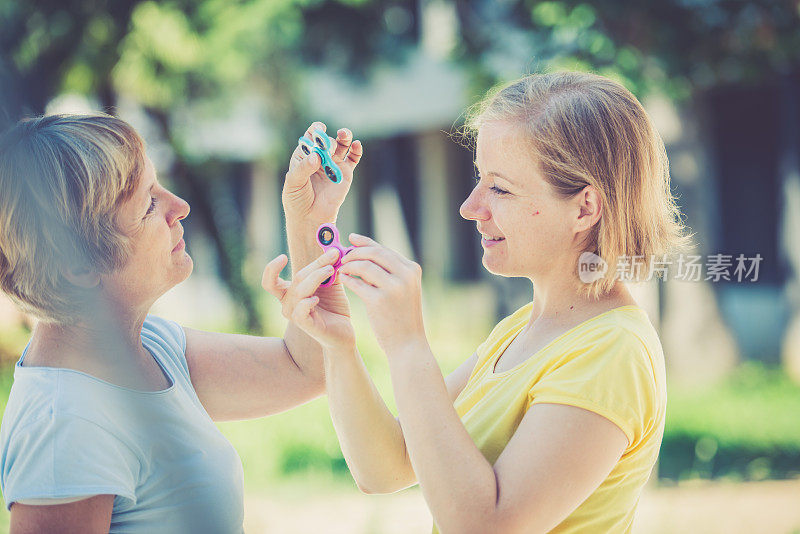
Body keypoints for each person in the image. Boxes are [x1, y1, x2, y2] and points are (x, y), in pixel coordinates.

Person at [263, 71, 689, 533]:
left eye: (500, 188)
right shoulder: (522, 330)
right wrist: (338, 343)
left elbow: (485, 527)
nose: (470, 206)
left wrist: (408, 344)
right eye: (478, 179)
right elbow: (385, 467)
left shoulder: (612, 351)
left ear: (584, 208)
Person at [0, 113, 361, 533]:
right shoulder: (63, 428)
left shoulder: (149, 345)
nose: (180, 207)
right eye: (148, 205)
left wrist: (308, 217)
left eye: (158, 185)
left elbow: (308, 368)